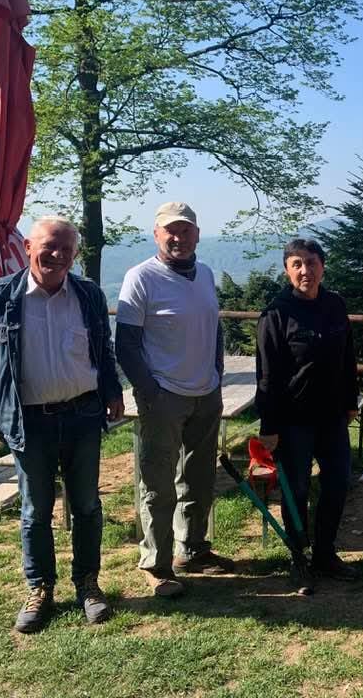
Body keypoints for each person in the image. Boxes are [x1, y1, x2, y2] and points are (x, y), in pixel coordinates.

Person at [0, 217, 124, 633]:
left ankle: (88, 585)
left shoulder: (87, 294)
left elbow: (102, 350)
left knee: (86, 505)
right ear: (28, 248)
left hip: (83, 416)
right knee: (36, 510)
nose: (58, 255)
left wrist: (112, 391)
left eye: (67, 249)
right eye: (50, 246)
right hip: (28, 421)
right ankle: (40, 589)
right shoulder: (0, 298)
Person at [116, 201, 233, 598]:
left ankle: (193, 549)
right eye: (171, 231)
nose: (178, 238)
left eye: (186, 230)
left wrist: (215, 376)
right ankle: (156, 564)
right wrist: (149, 392)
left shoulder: (206, 274)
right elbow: (126, 344)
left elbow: (213, 329)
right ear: (156, 235)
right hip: (164, 397)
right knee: (158, 484)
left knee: (199, 480)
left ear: (197, 235)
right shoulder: (141, 277)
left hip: (205, 394)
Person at [255, 238, 360, 595]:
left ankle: (326, 554)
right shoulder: (276, 313)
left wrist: (350, 402)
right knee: (296, 489)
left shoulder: (335, 304)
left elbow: (348, 357)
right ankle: (299, 557)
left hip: (332, 416)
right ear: (287, 270)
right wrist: (269, 426)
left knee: (338, 483)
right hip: (293, 419)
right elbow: (266, 375)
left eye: (312, 262)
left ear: (322, 266)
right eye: (297, 264)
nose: (305, 271)